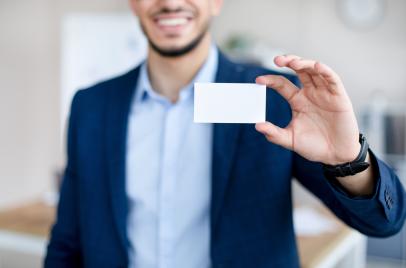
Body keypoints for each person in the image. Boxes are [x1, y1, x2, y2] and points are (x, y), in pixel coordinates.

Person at [45, 0, 406, 267]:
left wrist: (349, 160)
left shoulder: (276, 96)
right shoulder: (91, 105)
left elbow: (381, 223)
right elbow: (68, 239)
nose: (170, 3)